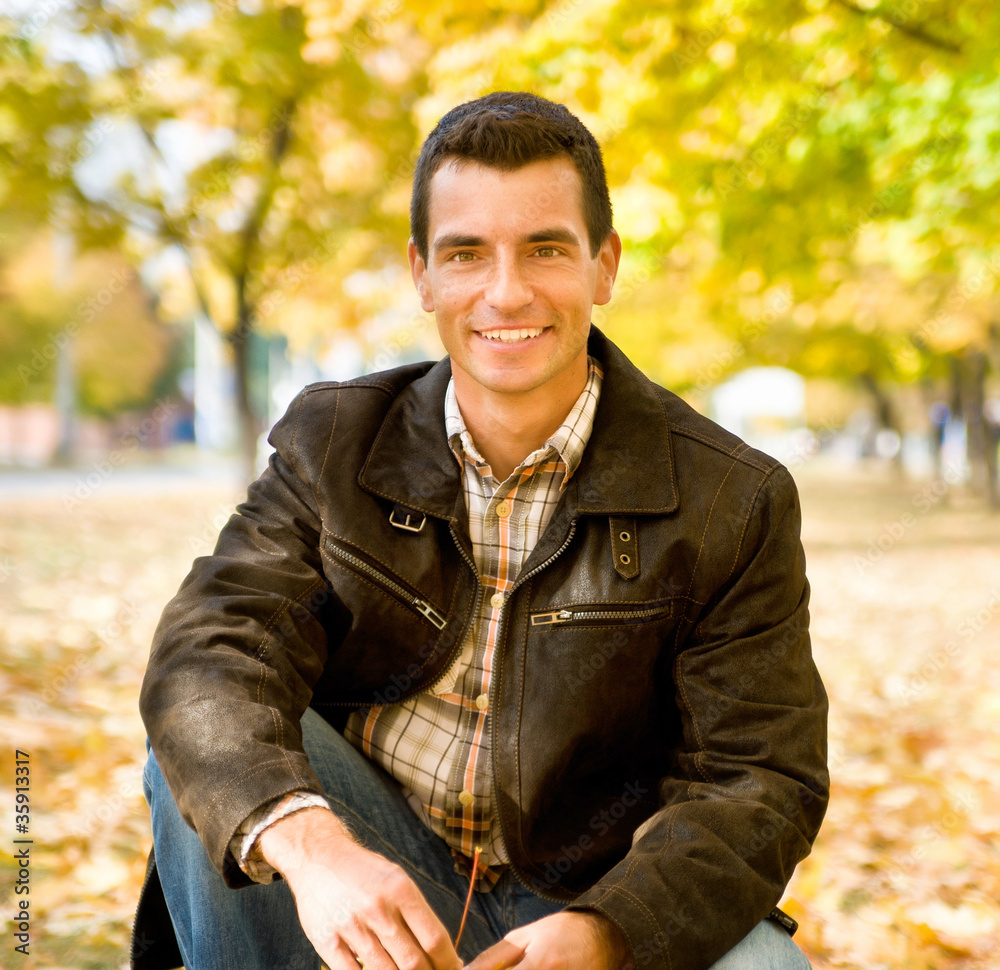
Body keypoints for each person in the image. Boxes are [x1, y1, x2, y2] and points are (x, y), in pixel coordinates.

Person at [132, 92, 829, 970]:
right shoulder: (336, 440)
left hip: (588, 894)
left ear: (604, 266)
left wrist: (607, 932)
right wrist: (315, 849)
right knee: (213, 748)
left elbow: (758, 780)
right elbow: (210, 648)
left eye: (545, 248)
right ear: (423, 274)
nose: (506, 291)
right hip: (372, 861)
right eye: (467, 253)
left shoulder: (735, 497)